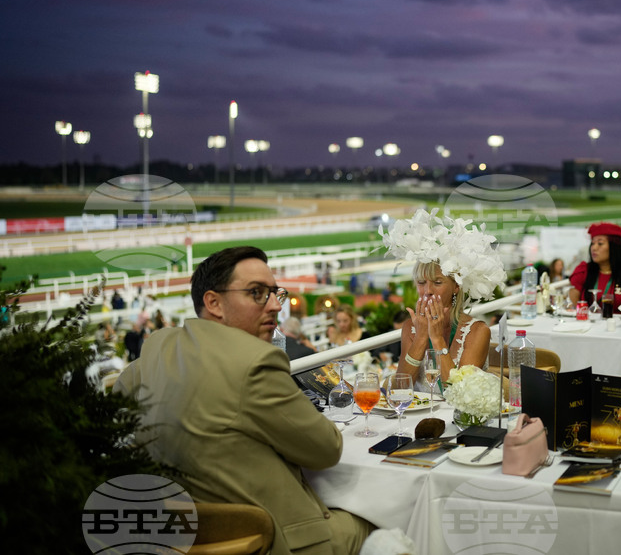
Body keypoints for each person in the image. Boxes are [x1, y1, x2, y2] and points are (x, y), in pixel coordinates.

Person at [114, 246, 374, 555]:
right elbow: (326, 449)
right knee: (387, 513)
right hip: (269, 540)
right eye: (257, 293)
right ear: (214, 303)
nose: (276, 306)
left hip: (182, 538)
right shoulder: (256, 361)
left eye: (275, 292)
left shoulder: (157, 348)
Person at [380, 210, 506, 390]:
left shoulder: (477, 332)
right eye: (421, 282)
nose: (427, 291)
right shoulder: (410, 328)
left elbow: (459, 394)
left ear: (456, 286)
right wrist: (421, 337)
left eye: (437, 282)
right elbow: (399, 390)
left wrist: (437, 339)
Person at [567, 223, 621, 310]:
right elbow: (572, 306)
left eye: (600, 243)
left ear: (614, 246)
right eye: (592, 243)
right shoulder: (583, 271)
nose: (594, 248)